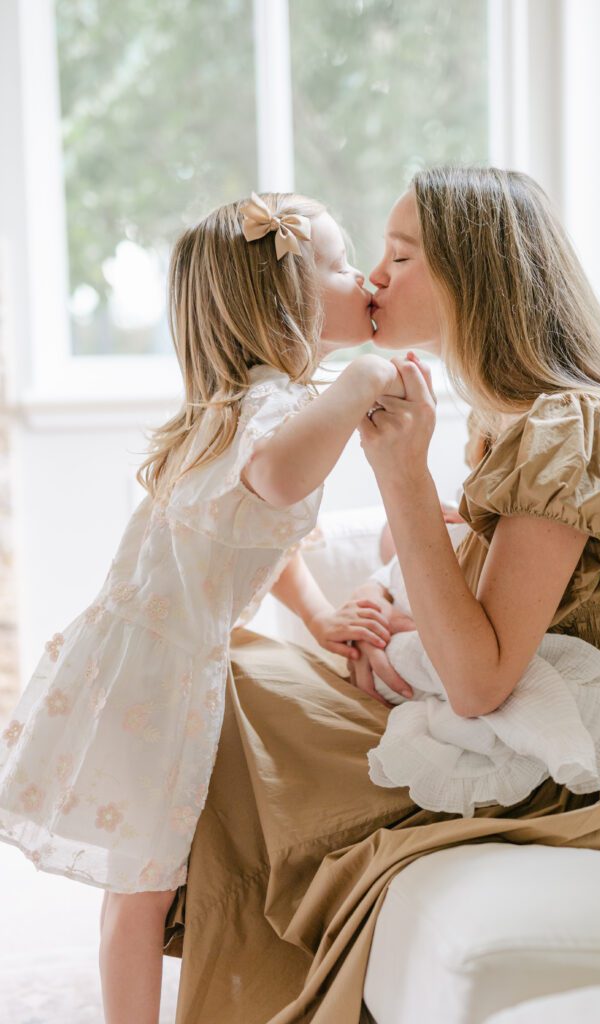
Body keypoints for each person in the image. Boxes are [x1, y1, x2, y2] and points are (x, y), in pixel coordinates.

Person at [165, 167, 600, 1024]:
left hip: (580, 759)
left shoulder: (573, 425)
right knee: (223, 670)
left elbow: (481, 681)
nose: (377, 278)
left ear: (474, 272)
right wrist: (398, 625)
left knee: (235, 695)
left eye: (400, 255)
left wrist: (399, 475)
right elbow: (489, 625)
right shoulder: (506, 420)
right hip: (511, 715)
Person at [0, 190, 407, 1024]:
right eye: (336, 263)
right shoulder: (270, 411)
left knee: (145, 884)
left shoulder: (243, 405)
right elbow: (281, 479)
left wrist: (324, 614)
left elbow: (265, 534)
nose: (362, 274)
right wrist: (364, 375)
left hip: (150, 659)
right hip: (155, 676)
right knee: (140, 888)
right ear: (281, 301)